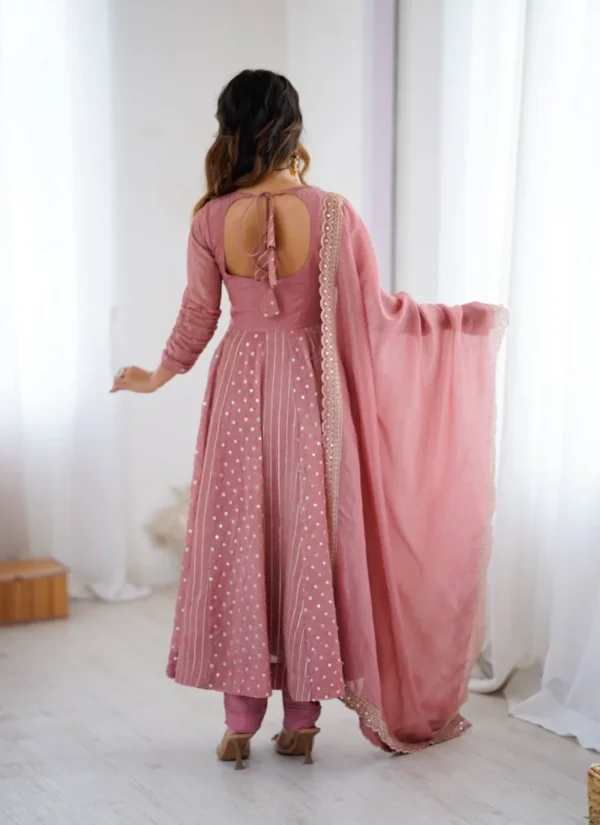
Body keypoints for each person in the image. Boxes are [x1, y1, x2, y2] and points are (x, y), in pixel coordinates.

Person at [112, 69, 506, 769]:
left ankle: (238, 723)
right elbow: (375, 315)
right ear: (292, 126)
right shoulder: (332, 213)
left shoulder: (211, 218)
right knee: (306, 544)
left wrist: (156, 375)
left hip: (238, 388)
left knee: (241, 541)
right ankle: (301, 721)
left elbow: (199, 316)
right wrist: (456, 323)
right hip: (310, 392)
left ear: (230, 129)